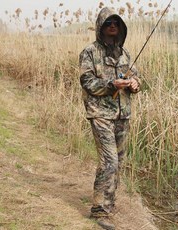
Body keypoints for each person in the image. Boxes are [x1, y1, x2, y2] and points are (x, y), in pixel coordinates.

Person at [79, 6, 140, 230]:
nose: (112, 26)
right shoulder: (89, 52)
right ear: (100, 27)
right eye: (108, 23)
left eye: (116, 23)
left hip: (123, 115)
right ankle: (99, 211)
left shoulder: (125, 54)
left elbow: (136, 78)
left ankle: (109, 204)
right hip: (100, 115)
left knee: (119, 162)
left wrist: (134, 84)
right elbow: (87, 82)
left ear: (121, 27)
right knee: (109, 161)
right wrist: (111, 85)